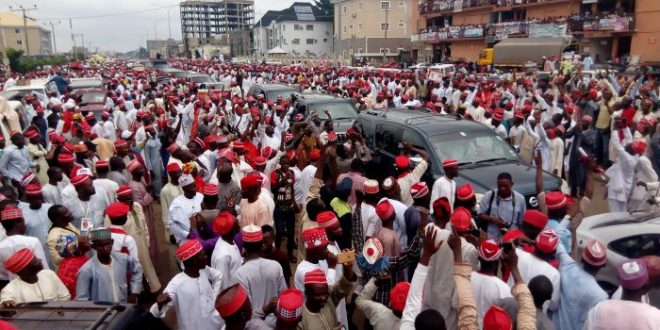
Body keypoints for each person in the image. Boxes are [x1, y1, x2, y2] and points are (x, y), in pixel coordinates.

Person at [150, 239, 224, 330]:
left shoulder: (204, 270)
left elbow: (219, 276)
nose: (206, 257)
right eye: (202, 255)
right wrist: (159, 305)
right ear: (194, 260)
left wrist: (215, 297)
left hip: (215, 325)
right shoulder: (176, 284)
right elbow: (154, 313)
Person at [234, 224, 287, 327]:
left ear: (244, 247)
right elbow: (284, 298)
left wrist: (263, 310)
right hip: (275, 324)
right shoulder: (275, 266)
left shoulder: (240, 274)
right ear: (261, 244)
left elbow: (245, 312)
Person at [76, 227, 143, 303]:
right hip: (102, 313)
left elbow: (138, 270)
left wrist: (134, 293)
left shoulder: (122, 259)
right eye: (100, 246)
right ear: (94, 247)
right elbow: (82, 300)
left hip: (123, 309)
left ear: (112, 242)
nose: (105, 248)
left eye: (107, 244)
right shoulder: (86, 270)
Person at [298, 258, 357, 330]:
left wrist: (347, 268)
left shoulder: (329, 299)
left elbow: (343, 286)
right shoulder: (302, 321)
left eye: (326, 293)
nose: (323, 297)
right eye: (318, 295)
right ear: (307, 293)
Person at [0, 248, 70, 306]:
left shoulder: (49, 274)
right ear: (26, 270)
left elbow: (65, 297)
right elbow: (6, 302)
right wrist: (6, 304)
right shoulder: (9, 290)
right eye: (36, 261)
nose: (40, 260)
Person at [0, 205, 49, 284]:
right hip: (37, 283)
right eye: (23, 221)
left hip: (16, 288)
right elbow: (44, 269)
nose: (25, 225)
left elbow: (2, 274)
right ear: (17, 223)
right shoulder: (32, 242)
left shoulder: (1, 247)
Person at [470, 239, 512, 327]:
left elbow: (455, 303)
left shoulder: (466, 278)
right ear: (497, 263)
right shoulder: (504, 289)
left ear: (478, 258)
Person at [477, 172, 526, 241]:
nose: (502, 188)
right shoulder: (489, 195)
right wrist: (493, 220)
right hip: (492, 239)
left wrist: (519, 238)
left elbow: (522, 223)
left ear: (511, 184)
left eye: (505, 186)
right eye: (500, 186)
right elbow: (480, 214)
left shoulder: (520, 199)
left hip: (511, 240)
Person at [210, 211, 242, 290]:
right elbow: (222, 286)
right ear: (232, 230)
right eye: (236, 221)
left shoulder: (230, 242)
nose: (238, 220)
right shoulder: (222, 255)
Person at [168, 174, 203, 244]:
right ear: (184, 189)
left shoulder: (201, 197)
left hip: (203, 236)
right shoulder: (176, 204)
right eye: (191, 187)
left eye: (194, 185)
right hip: (187, 240)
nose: (195, 189)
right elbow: (172, 224)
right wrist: (186, 234)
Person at [45, 205, 80, 269]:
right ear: (59, 219)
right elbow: (57, 259)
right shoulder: (56, 236)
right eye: (66, 212)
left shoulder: (67, 224)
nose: (70, 212)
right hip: (68, 271)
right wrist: (76, 246)